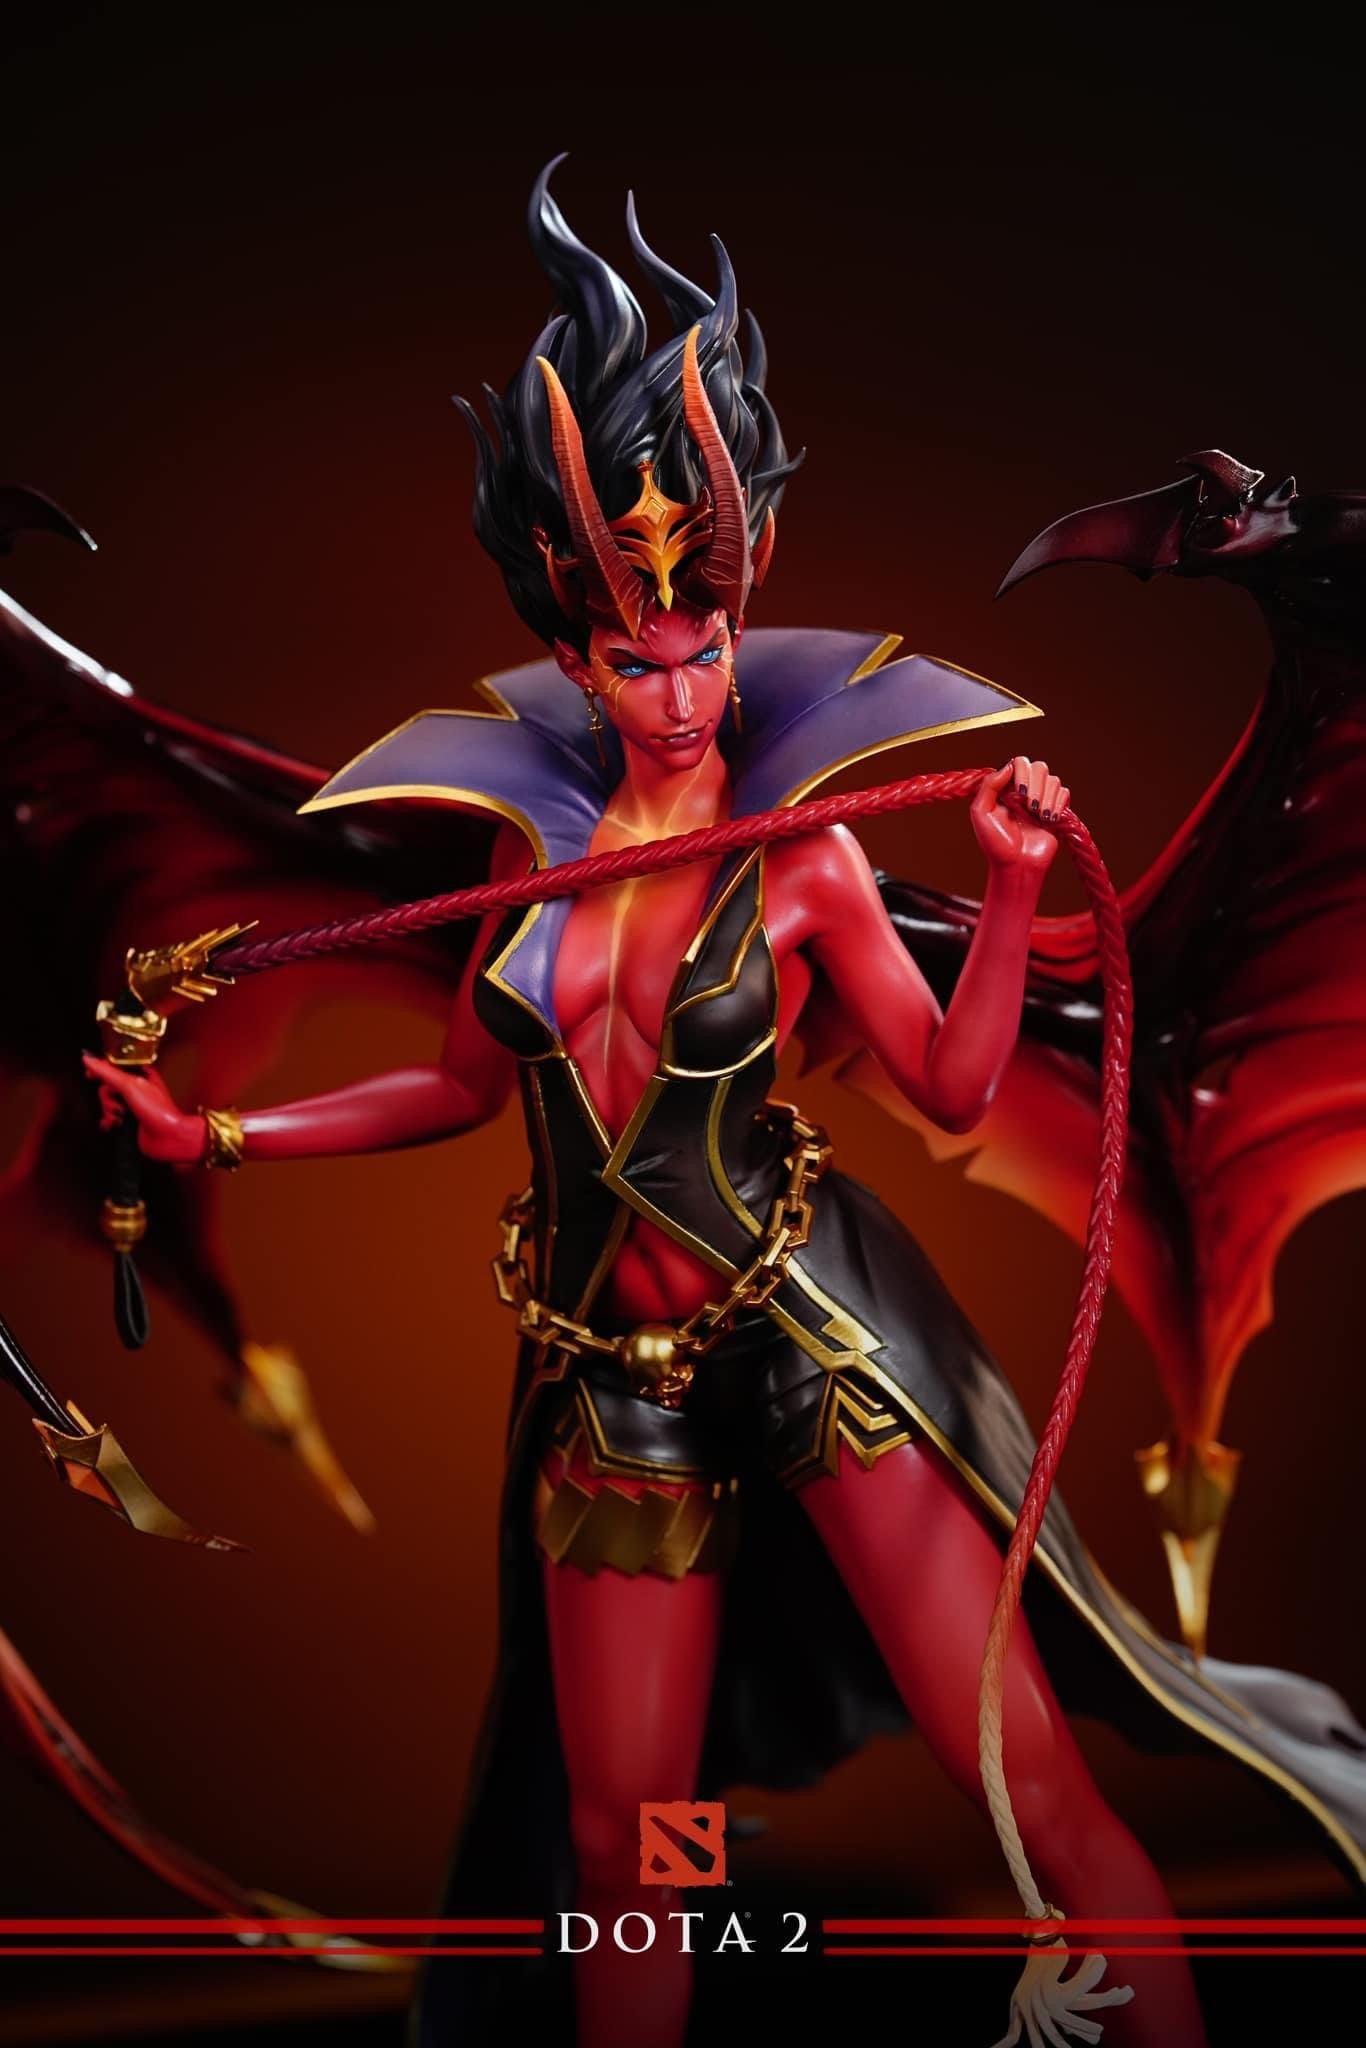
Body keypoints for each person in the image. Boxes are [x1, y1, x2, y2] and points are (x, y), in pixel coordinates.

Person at [81, 162, 1366, 2048]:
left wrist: (1010, 885)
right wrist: (216, 1137)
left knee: (1017, 1777)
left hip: (819, 1345)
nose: (681, 691)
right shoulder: (518, 848)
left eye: (702, 647)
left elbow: (946, 1081)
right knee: (632, 1838)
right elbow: (458, 1080)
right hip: (608, 1385)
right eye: (636, 658)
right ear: (572, 650)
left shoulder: (808, 858)